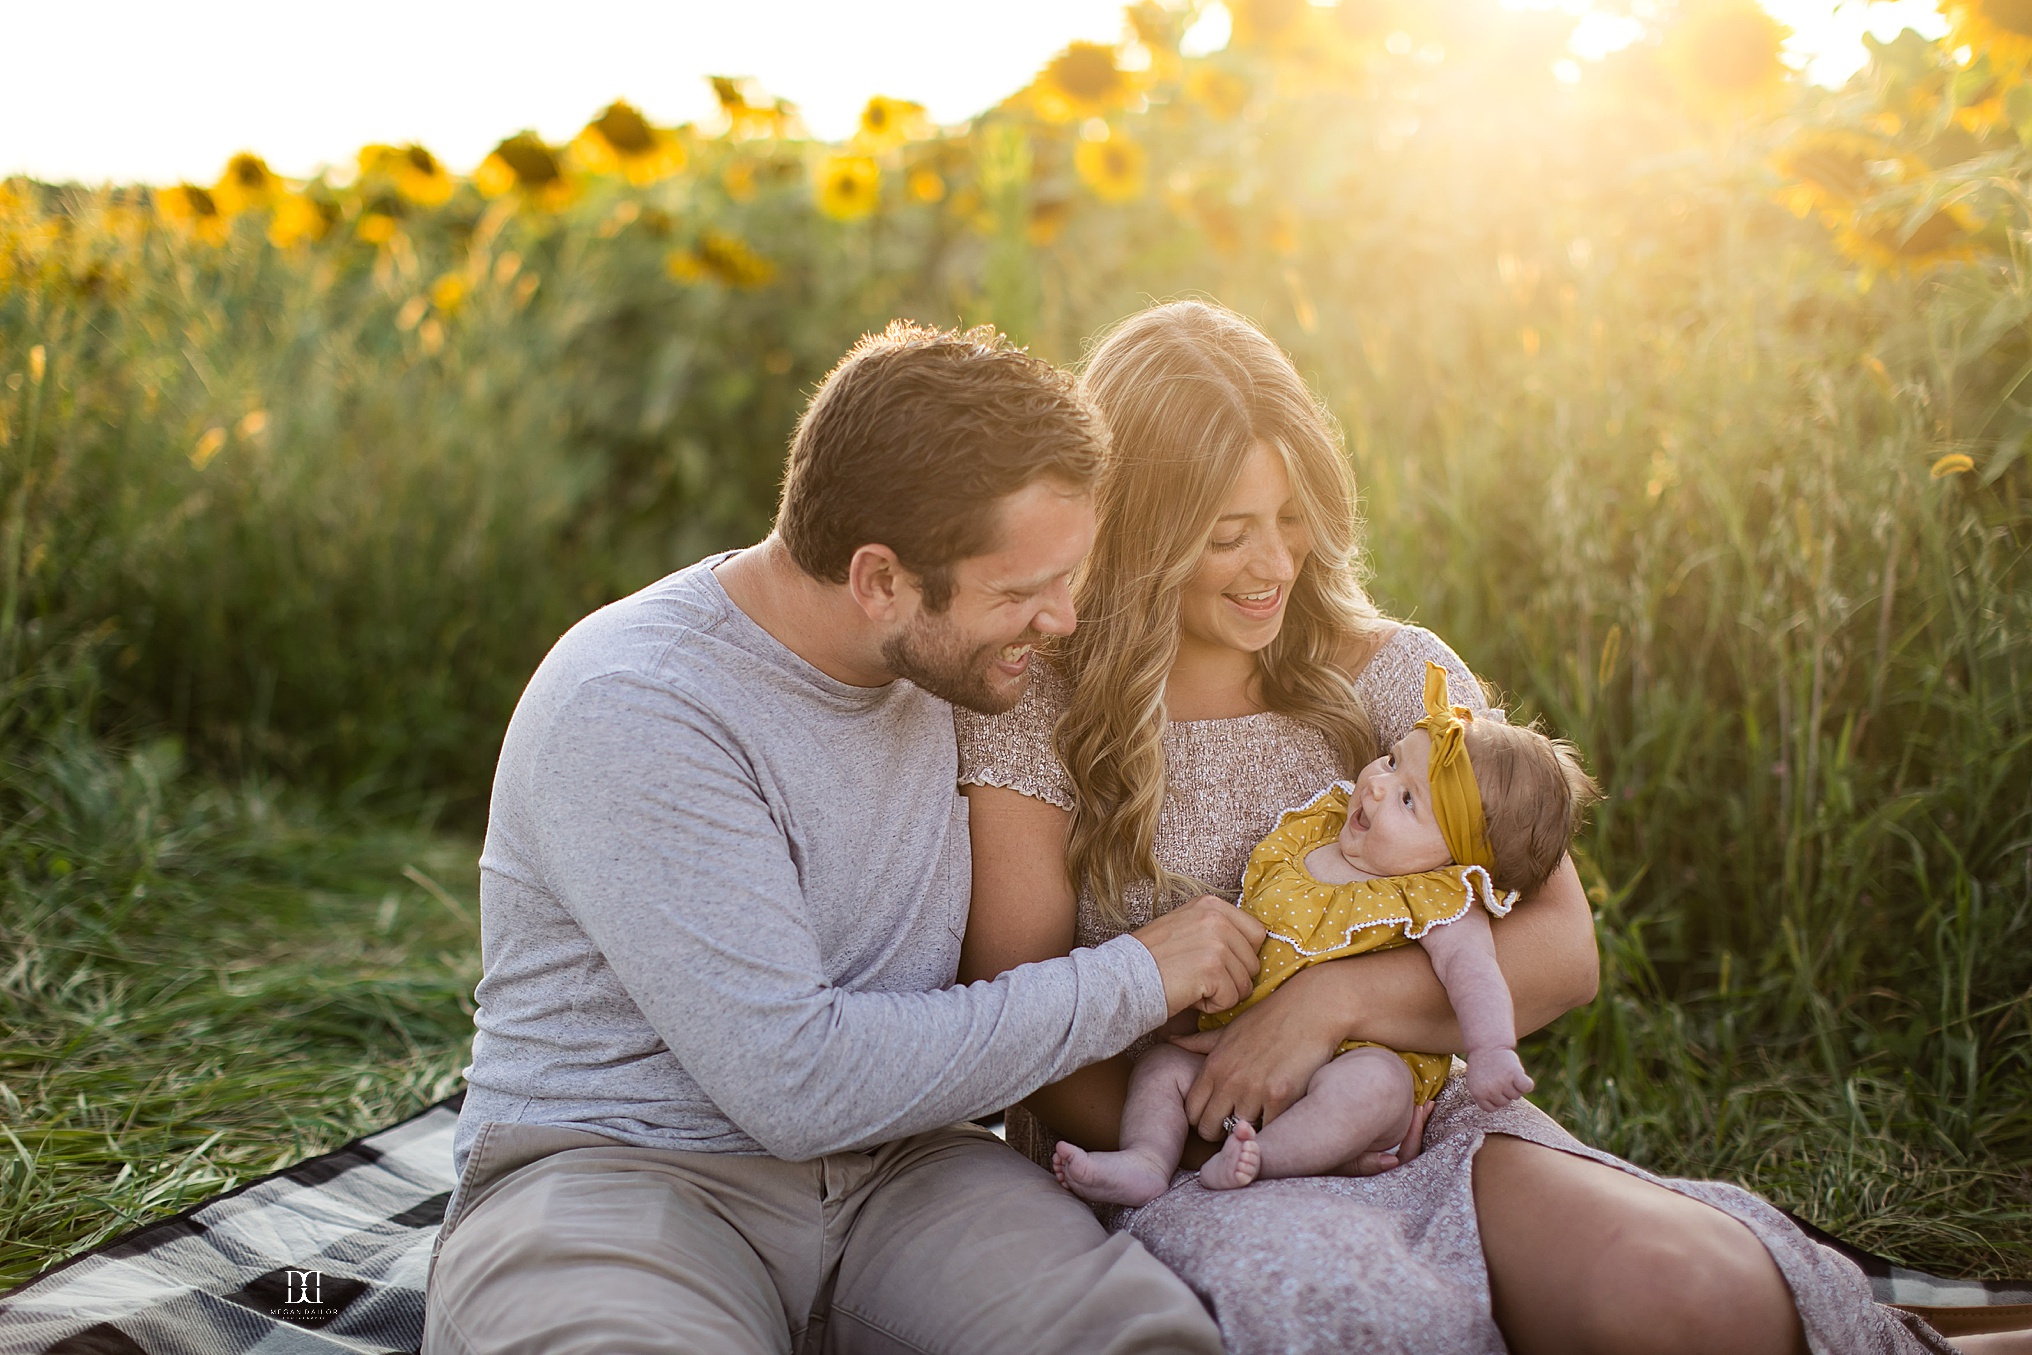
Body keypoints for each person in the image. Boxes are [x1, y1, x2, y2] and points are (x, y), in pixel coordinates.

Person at [956, 299, 1959, 1355]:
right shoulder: (1040, 709)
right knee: (1373, 1323)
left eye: (1293, 517)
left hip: (1421, 1126)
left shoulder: (1395, 674)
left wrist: (1330, 1001)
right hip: (1175, 1154)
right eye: (1225, 533)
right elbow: (1025, 1025)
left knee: (1688, 1293)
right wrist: (1229, 1128)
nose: (1272, 564)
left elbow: (1562, 949)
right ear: (1138, 531)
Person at [423, 321, 1265, 1355]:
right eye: (1018, 591)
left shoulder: (963, 664)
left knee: (1141, 1338)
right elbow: (795, 1082)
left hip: (907, 1170)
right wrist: (1135, 976)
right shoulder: (640, 705)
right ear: (878, 580)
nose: (1062, 621)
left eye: (1069, 576)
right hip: (624, 1167)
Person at [1054, 663, 1597, 1205]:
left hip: (1355, 1057)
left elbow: (1476, 975)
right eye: (1390, 761)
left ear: (1460, 858)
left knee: (1375, 1089)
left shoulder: (1439, 898)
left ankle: (1264, 1160)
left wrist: (1494, 1051)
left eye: (1409, 800)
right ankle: (1147, 1161)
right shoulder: (1315, 834)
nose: (1379, 787)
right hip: (1242, 1049)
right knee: (1162, 1068)